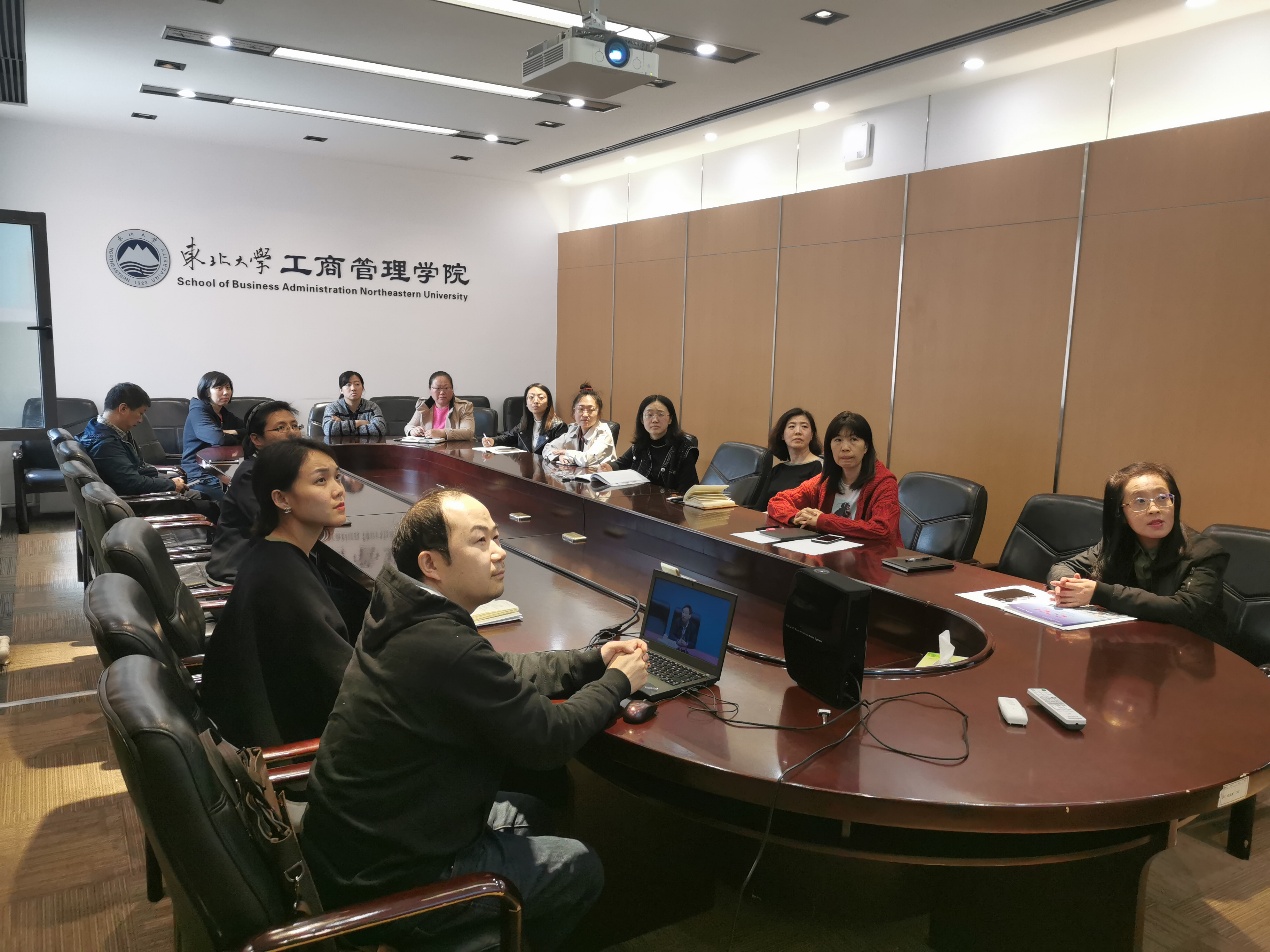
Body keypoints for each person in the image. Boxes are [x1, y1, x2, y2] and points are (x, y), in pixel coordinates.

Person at [300, 488, 649, 950]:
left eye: (496, 538)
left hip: (360, 847)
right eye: (480, 541)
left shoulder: (402, 608)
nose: (499, 552)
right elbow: (549, 738)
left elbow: (498, 670)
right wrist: (619, 682)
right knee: (580, 865)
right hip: (394, 880)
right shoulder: (443, 645)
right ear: (431, 564)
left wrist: (593, 660)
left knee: (534, 810)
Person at [199, 438, 354, 748]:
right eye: (321, 480)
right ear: (281, 499)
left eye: (337, 477)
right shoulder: (284, 579)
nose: (338, 490)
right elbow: (347, 686)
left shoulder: (271, 553)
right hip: (289, 748)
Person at [1048, 461, 1228, 641]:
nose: (1154, 509)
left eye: (1162, 498)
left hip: (1187, 649)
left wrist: (1099, 593)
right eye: (1140, 501)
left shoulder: (1206, 553)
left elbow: (1184, 609)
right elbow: (1063, 567)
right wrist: (1067, 587)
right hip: (1131, 642)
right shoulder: (1119, 543)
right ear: (1121, 514)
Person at [767, 410, 901, 544]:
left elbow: (882, 529)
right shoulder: (826, 480)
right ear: (830, 447)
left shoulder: (884, 483)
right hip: (830, 551)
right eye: (838, 440)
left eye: (854, 439)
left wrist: (823, 521)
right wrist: (797, 517)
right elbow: (778, 501)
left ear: (866, 447)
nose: (845, 448)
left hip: (871, 554)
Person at [205, 400, 303, 584]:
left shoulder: (282, 469)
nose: (292, 432)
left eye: (295, 425)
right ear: (256, 439)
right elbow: (273, 524)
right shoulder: (250, 474)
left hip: (269, 566)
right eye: (281, 428)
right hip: (239, 575)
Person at [80, 382, 187, 496]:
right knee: (198, 498)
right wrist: (171, 484)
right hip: (135, 500)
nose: (141, 420)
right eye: (140, 413)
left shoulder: (104, 430)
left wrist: (167, 479)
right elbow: (132, 483)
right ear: (123, 408)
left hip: (140, 487)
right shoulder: (106, 444)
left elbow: (135, 470)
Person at [600, 394, 699, 492]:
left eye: (660, 414)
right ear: (642, 419)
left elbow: (688, 491)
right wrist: (610, 467)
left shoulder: (684, 449)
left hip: (671, 502)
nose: (655, 420)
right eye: (649, 415)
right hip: (641, 501)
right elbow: (621, 464)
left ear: (670, 419)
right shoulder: (641, 444)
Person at [181, 370, 244, 502]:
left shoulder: (223, 413)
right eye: (219, 388)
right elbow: (218, 438)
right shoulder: (198, 411)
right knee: (231, 504)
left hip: (222, 468)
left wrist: (231, 432)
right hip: (199, 472)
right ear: (207, 392)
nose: (226, 392)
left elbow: (248, 430)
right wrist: (224, 434)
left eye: (228, 388)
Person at [753, 407, 824, 510]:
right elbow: (759, 508)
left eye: (804, 426)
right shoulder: (777, 470)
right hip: (768, 519)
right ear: (782, 435)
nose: (798, 431)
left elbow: (815, 510)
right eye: (792, 426)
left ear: (812, 435)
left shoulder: (820, 467)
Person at [542, 382, 617, 467]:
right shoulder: (573, 429)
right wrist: (558, 457)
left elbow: (587, 460)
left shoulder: (603, 432)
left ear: (598, 413)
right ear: (574, 412)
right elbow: (547, 448)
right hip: (577, 474)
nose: (585, 414)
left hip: (600, 474)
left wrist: (566, 453)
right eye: (581, 409)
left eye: (591, 409)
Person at [482, 382, 567, 454]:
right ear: (526, 402)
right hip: (527, 466)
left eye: (541, 397)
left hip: (546, 467)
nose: (535, 401)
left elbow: (558, 453)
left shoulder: (558, 426)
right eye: (531, 397)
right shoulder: (526, 422)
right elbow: (509, 437)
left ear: (548, 403)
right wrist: (493, 440)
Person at [405, 370, 474, 440]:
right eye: (437, 388)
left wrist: (443, 433)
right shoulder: (424, 405)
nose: (442, 392)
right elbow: (409, 426)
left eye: (446, 388)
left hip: (455, 446)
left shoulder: (464, 407)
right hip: (428, 446)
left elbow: (468, 432)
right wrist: (413, 431)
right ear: (430, 389)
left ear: (452, 389)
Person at [322, 370, 387, 442]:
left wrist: (343, 426)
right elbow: (329, 430)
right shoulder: (333, 407)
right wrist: (360, 422)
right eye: (348, 385)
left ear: (363, 388)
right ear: (341, 390)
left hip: (367, 447)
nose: (353, 388)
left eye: (357, 384)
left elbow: (380, 429)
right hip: (341, 448)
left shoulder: (372, 407)